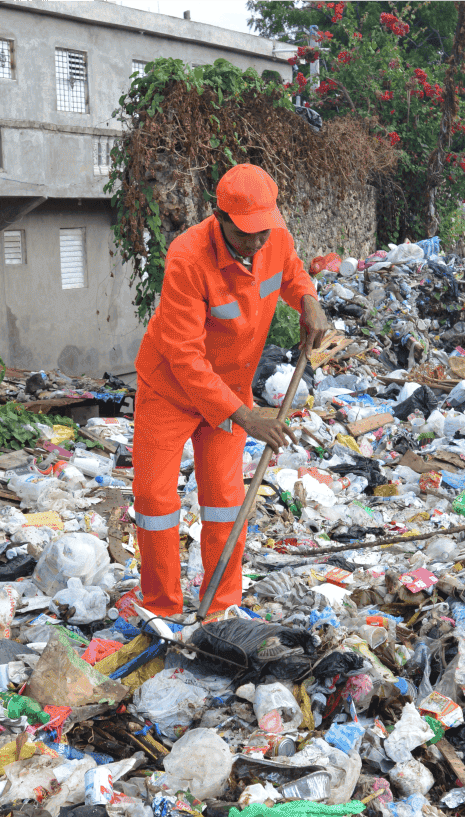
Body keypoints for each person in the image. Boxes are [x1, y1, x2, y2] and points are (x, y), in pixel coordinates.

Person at [130, 164, 329, 621]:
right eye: (246, 236)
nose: (257, 243)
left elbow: (292, 273)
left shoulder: (272, 237)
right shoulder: (187, 258)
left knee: (224, 502)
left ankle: (220, 609)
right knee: (156, 501)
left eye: (264, 232)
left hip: (231, 387)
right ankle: (161, 608)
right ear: (218, 218)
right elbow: (184, 357)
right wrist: (244, 415)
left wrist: (308, 300)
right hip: (170, 389)